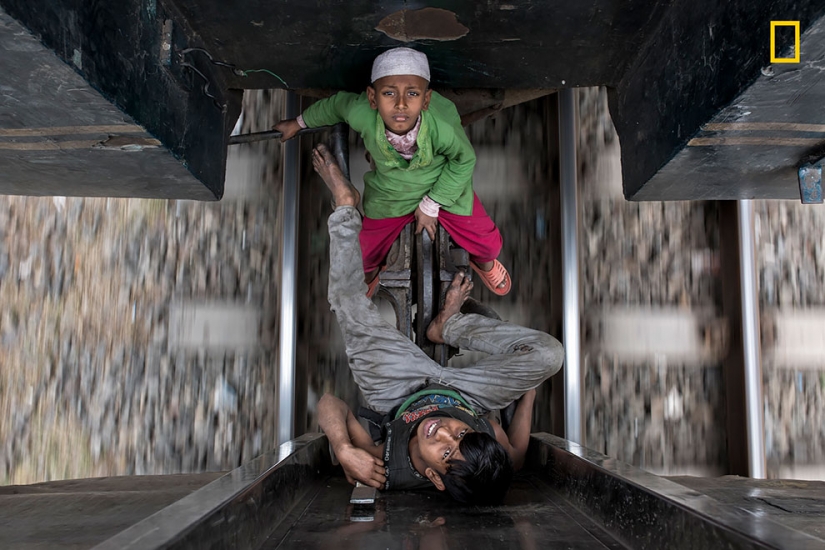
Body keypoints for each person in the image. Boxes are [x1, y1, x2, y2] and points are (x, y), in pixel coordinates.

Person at [311, 142, 564, 505]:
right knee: (550, 355)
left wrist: (343, 449)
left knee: (349, 305)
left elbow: (328, 403)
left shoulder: (388, 467)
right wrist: (529, 390)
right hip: (465, 391)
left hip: (398, 389)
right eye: (460, 436)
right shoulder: (487, 446)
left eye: (446, 454)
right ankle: (447, 326)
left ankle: (345, 205)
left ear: (435, 479)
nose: (444, 432)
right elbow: (518, 455)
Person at [275, 47, 512, 297]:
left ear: (426, 100)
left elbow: (464, 160)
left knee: (488, 244)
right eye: (389, 93)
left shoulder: (441, 126)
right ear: (372, 98)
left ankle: (485, 263)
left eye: (412, 94)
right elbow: (335, 106)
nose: (401, 104)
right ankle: (368, 274)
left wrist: (431, 205)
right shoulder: (361, 112)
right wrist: (297, 123)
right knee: (363, 254)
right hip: (390, 193)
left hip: (443, 187)